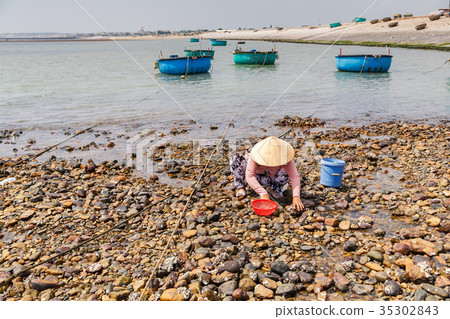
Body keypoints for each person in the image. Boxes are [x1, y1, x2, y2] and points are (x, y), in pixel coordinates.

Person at [230, 136, 304, 211]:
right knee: (235, 159)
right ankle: (240, 187)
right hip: (257, 175)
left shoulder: (285, 157)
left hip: (271, 178)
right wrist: (263, 193)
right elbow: (249, 176)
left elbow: (294, 176)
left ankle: (275, 189)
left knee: (286, 172)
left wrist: (296, 196)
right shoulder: (256, 155)